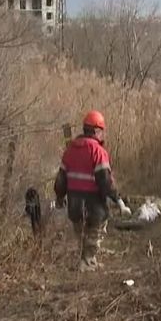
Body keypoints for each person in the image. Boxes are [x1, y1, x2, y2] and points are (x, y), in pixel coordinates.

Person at [54, 110, 132, 272]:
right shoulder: (98, 152)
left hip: (74, 202)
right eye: (102, 131)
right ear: (97, 131)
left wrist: (60, 198)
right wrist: (119, 201)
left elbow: (61, 179)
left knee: (80, 230)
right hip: (94, 203)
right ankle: (87, 262)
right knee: (95, 232)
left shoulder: (70, 150)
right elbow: (106, 181)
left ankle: (87, 261)